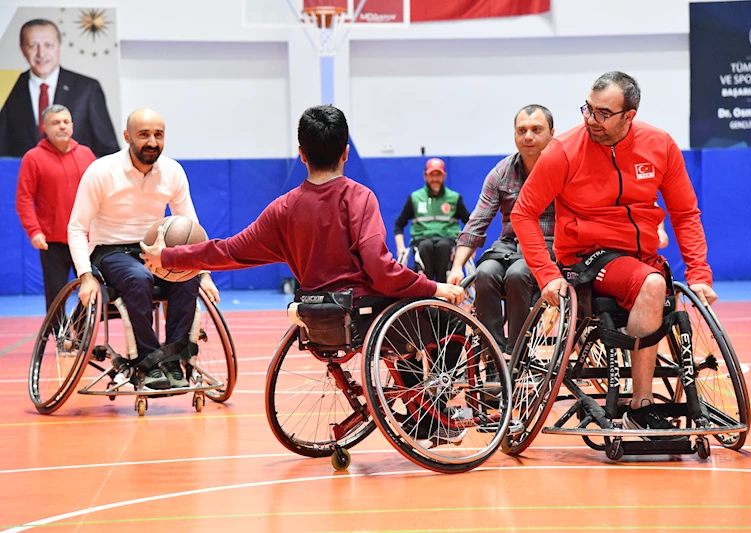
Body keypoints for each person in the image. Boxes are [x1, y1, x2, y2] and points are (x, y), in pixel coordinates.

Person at [140, 105, 465, 444]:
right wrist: (434, 287)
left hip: (316, 319)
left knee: (402, 314)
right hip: (364, 316)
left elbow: (228, 251)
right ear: (346, 153)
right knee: (443, 315)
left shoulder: (283, 208)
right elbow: (382, 271)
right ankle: (435, 415)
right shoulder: (359, 198)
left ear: (301, 154)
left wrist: (168, 255)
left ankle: (424, 414)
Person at [511, 71, 716, 436]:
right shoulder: (563, 150)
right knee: (651, 285)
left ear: (629, 116)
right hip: (587, 258)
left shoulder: (660, 145)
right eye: (588, 109)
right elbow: (523, 213)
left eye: (604, 113)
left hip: (640, 256)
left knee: (655, 282)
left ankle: (642, 385)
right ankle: (641, 406)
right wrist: (546, 274)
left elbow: (685, 214)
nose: (592, 120)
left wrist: (699, 274)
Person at [68, 108, 219, 391]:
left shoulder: (172, 171)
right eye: (144, 135)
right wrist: (86, 275)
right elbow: (76, 227)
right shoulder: (102, 171)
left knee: (187, 275)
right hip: (109, 250)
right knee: (139, 278)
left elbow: (191, 226)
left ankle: (173, 359)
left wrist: (205, 272)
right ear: (127, 137)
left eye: (158, 135)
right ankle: (148, 362)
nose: (152, 142)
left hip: (153, 250)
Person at [447, 104, 556, 356]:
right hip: (509, 246)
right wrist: (456, 267)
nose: (528, 136)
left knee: (518, 274)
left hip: (547, 245)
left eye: (536, 129)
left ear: (552, 132)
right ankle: (494, 356)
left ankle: (516, 354)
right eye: (522, 130)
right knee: (485, 273)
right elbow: (476, 223)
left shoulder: (565, 168)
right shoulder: (501, 173)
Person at [15, 104, 96, 312]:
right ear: (45, 127)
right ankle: (61, 339)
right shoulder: (33, 158)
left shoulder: (86, 154)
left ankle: (81, 335)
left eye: (65, 122)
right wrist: (34, 231)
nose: (62, 126)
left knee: (93, 291)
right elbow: (24, 199)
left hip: (87, 239)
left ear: (72, 125)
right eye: (55, 122)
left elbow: (100, 193)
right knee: (56, 296)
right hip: (53, 243)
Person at [0, 19, 119, 158]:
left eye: (48, 45)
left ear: (60, 47)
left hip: (77, 178)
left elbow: (109, 150)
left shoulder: (87, 89)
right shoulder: (8, 87)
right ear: (22, 48)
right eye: (33, 45)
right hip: (20, 177)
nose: (41, 54)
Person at [393, 157, 471, 282]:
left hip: (447, 240)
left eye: (438, 174)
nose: (435, 179)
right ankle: (426, 291)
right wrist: (400, 248)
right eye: (431, 175)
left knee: (444, 246)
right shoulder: (415, 198)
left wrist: (470, 249)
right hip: (422, 240)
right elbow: (399, 224)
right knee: (425, 246)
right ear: (425, 176)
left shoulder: (454, 198)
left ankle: (444, 293)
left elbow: (471, 223)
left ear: (444, 176)